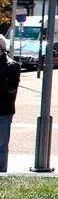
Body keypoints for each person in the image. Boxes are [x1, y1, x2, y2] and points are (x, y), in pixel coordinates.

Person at [0, 34, 21, 173]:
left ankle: (1, 172)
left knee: (1, 146)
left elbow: (11, 88)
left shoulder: (12, 65)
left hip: (4, 111)